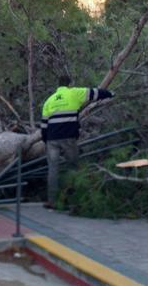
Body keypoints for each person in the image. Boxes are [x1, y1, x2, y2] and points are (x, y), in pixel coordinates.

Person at [41, 75, 114, 209]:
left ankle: (51, 201)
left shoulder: (49, 100)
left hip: (52, 138)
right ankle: (73, 199)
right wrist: (110, 94)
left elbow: (44, 126)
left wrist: (46, 141)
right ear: (70, 84)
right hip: (68, 137)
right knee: (73, 166)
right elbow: (95, 93)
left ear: (58, 85)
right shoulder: (74, 93)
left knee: (53, 169)